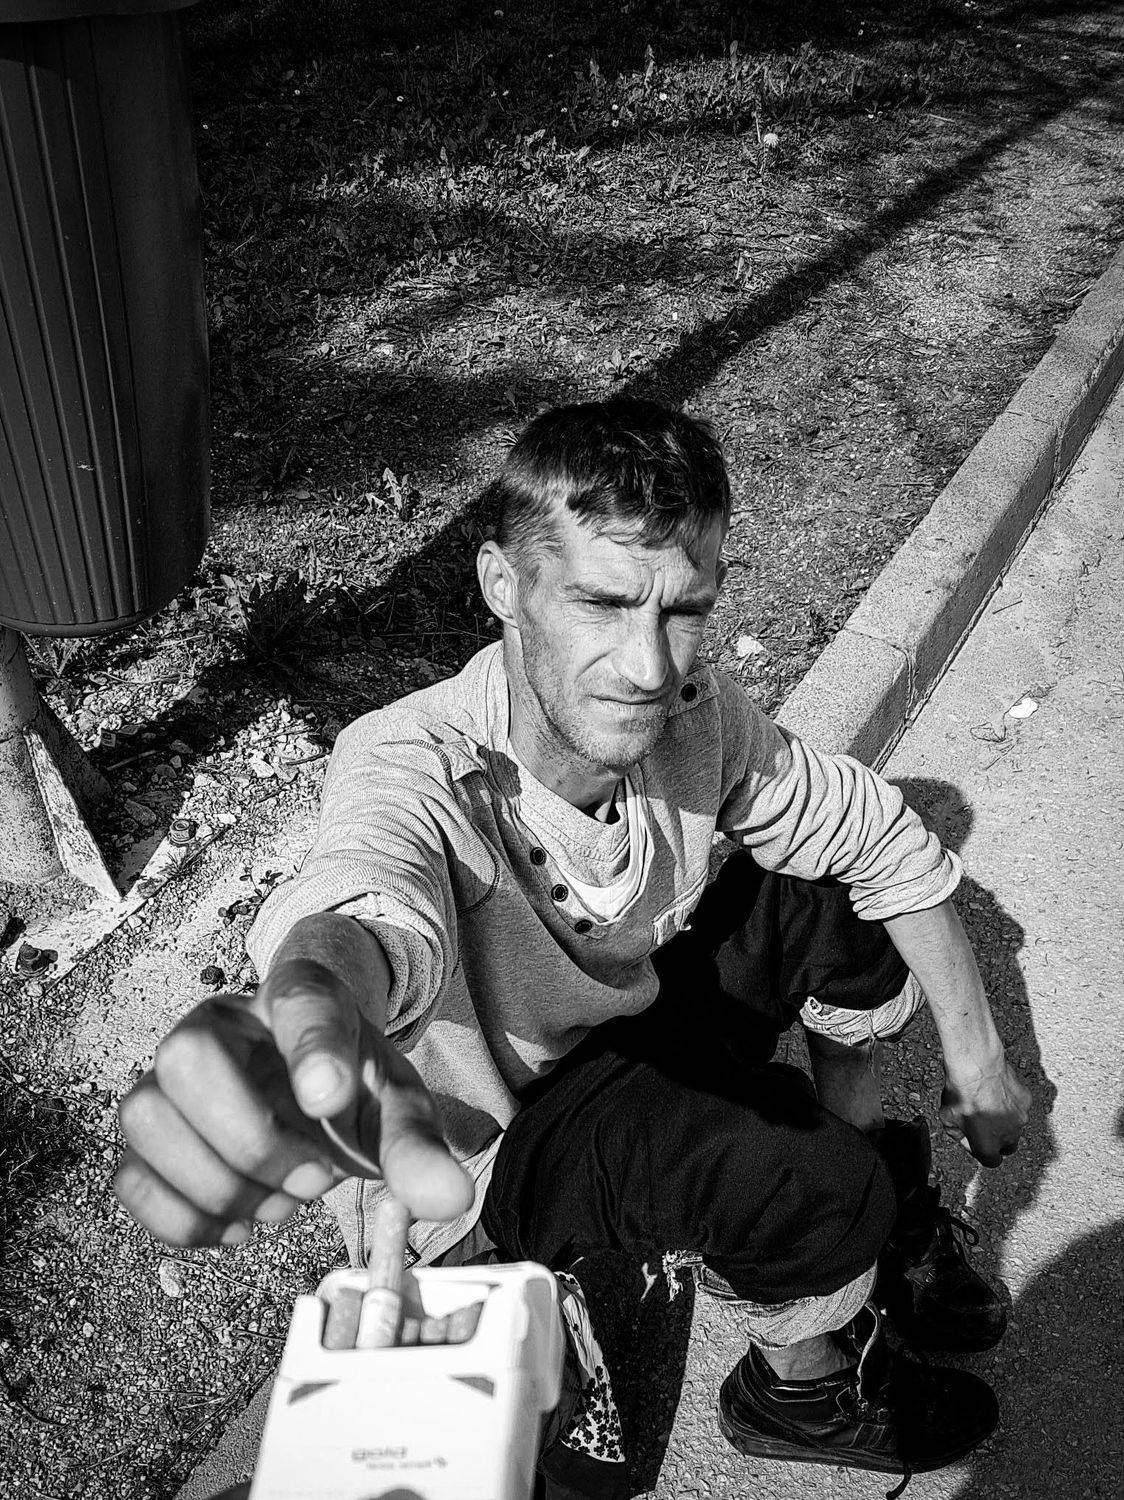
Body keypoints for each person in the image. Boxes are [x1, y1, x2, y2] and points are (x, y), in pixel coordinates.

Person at [115, 399, 1031, 1498]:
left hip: (618, 1030)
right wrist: (313, 998)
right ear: (503, 586)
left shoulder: (694, 711)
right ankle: (798, 1381)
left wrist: (979, 1061)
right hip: (499, 1148)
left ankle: (869, 1228)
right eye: (600, 602)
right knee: (802, 1181)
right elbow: (366, 894)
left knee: (822, 891)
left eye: (682, 609)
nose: (646, 666)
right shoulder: (417, 760)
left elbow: (872, 832)